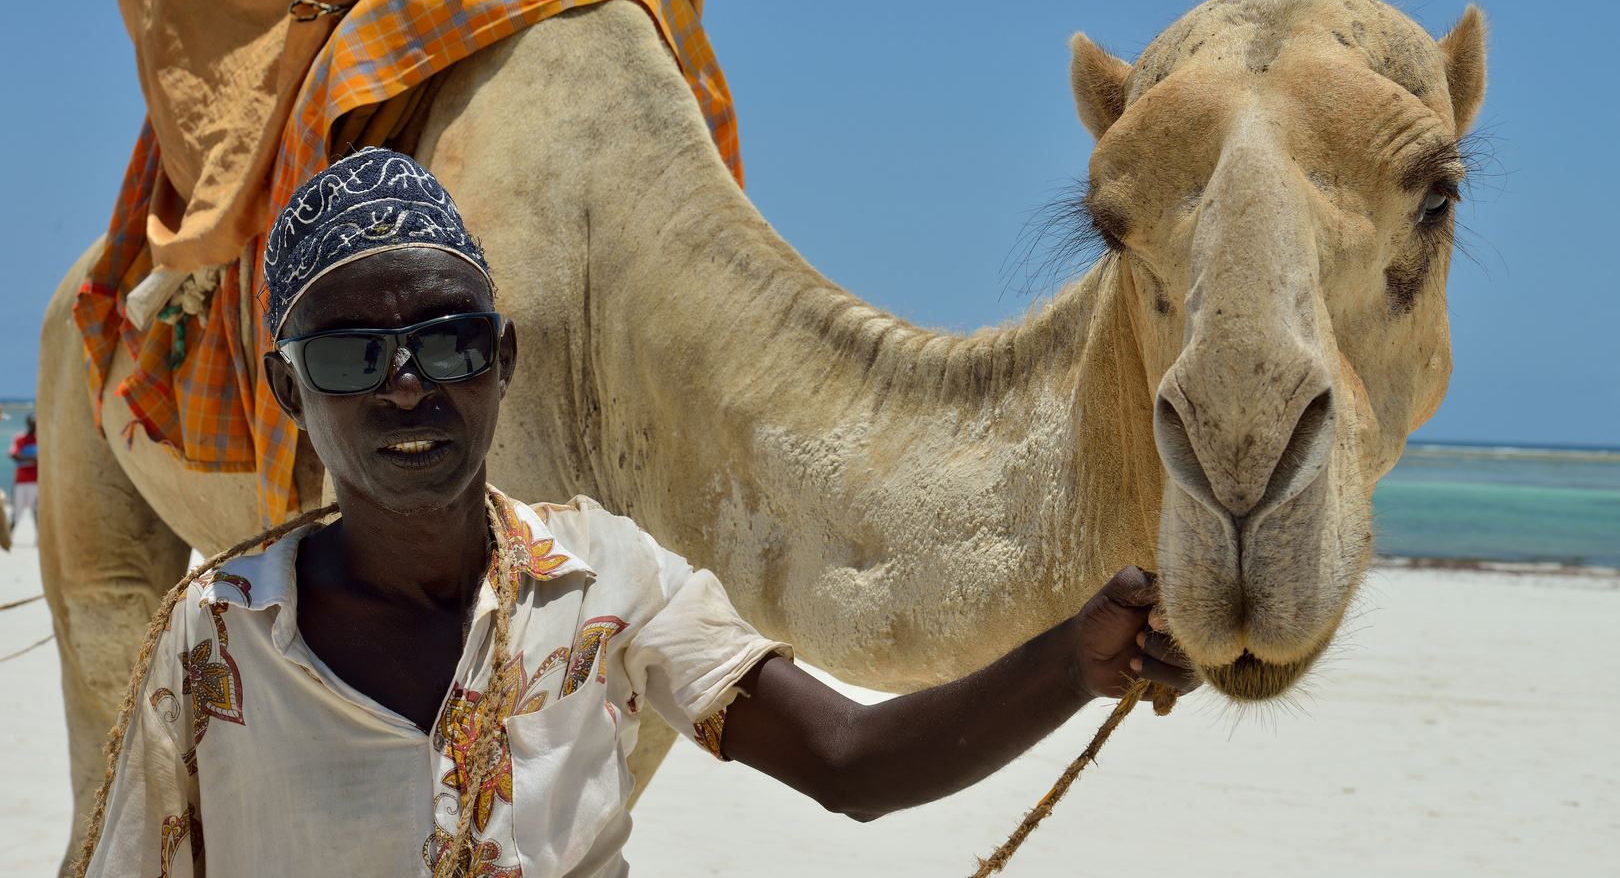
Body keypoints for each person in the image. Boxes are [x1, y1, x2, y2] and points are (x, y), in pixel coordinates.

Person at [81, 150, 1196, 878]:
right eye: (350, 354)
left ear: (502, 360)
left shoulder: (608, 580)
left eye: (449, 340)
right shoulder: (214, 636)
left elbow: (851, 761)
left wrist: (1076, 661)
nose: (407, 385)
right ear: (288, 393)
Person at [9, 413, 37, 539]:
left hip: (36, 482)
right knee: (16, 512)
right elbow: (14, 455)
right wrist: (34, 459)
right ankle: (7, 538)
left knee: (37, 512)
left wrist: (26, 459)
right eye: (31, 423)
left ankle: (40, 540)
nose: (33, 426)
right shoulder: (20, 438)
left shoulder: (40, 439)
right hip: (21, 482)